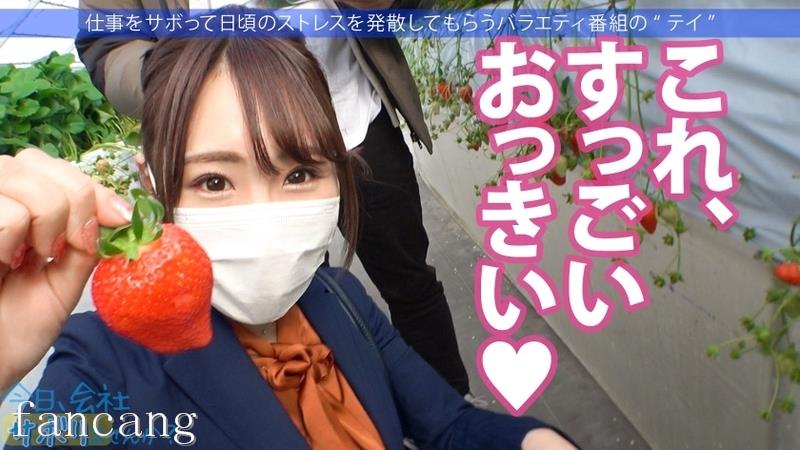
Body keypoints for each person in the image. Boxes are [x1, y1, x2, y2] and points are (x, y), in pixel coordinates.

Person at [0, 36, 576, 450]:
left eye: (300, 173)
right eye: (214, 181)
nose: (264, 217)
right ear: (153, 185)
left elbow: (447, 425)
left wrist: (536, 440)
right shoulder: (102, 364)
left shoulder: (340, 299)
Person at [75, 0, 474, 398]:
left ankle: (448, 404)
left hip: (354, 119)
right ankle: (328, 413)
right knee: (291, 304)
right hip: (229, 150)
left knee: (408, 279)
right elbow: (107, 43)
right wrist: (181, 75)